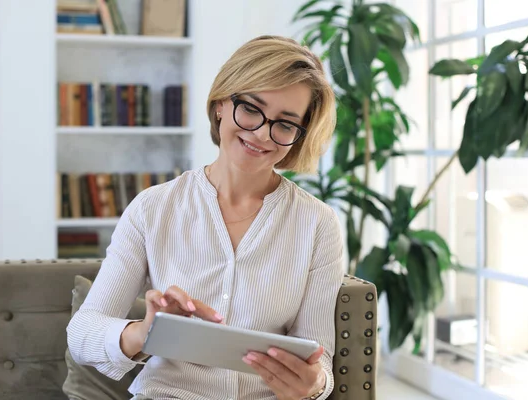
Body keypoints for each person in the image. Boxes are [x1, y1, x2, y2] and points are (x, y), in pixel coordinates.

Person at [67, 35, 344, 400]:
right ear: (219, 105)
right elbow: (82, 333)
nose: (262, 133)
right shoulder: (153, 208)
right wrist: (147, 332)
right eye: (250, 108)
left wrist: (316, 385)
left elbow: (319, 357)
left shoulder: (318, 224)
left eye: (285, 124)